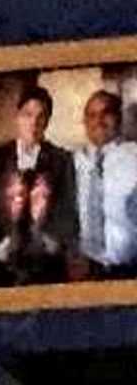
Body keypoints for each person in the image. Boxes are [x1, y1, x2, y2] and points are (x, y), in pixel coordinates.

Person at [0, 79, 79, 284]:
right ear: (17, 117)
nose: (34, 123)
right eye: (28, 115)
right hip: (0, 265)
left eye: (41, 116)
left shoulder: (61, 160)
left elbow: (68, 208)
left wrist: (51, 243)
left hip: (47, 264)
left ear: (47, 121)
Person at [80, 82, 137, 278]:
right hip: (84, 269)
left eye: (107, 113)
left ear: (119, 119)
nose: (99, 120)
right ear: (85, 122)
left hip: (130, 269)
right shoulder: (71, 161)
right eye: (92, 115)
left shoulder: (134, 156)